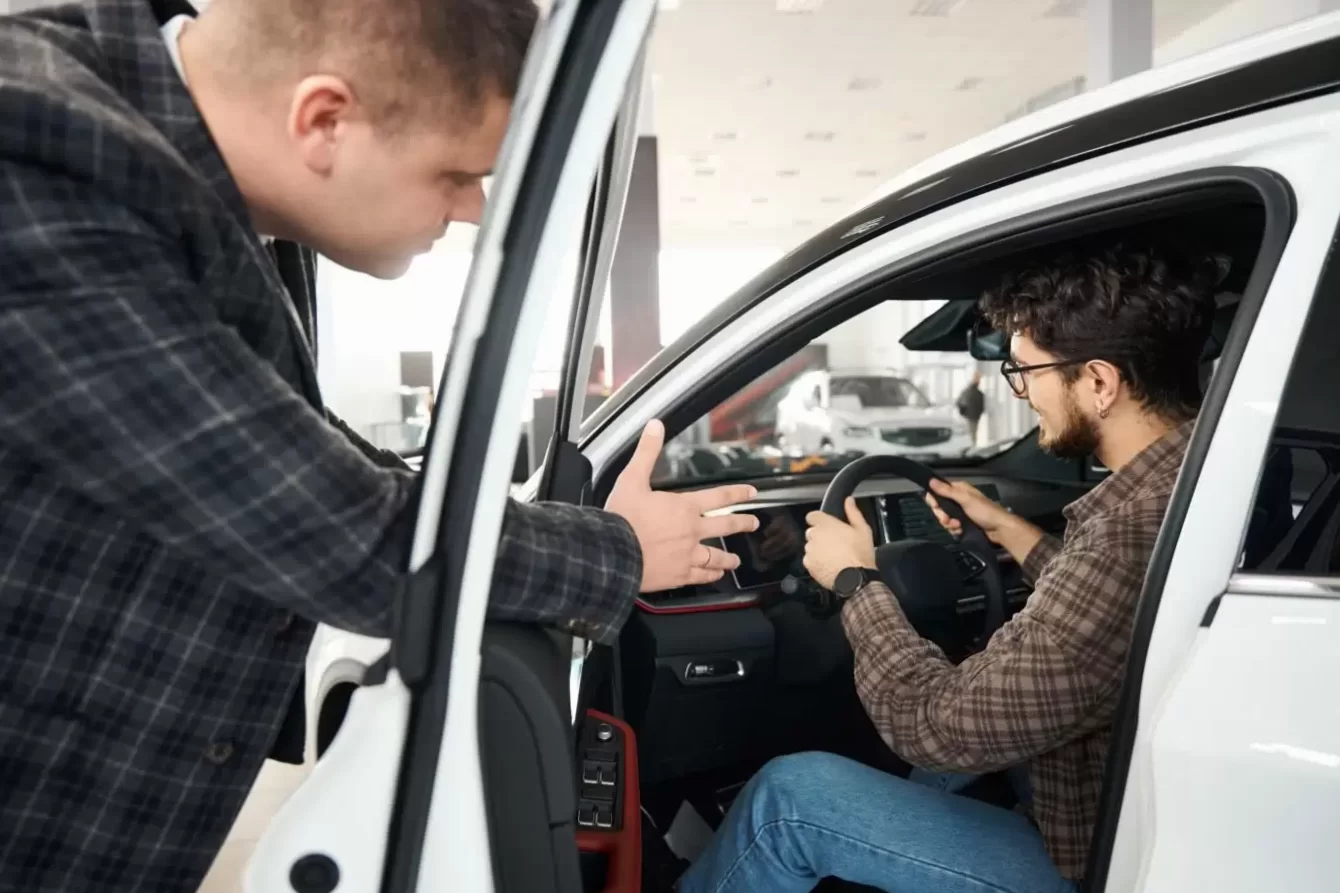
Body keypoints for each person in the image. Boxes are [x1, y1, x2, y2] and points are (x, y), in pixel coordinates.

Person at [0, 1, 759, 891]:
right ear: (325, 121)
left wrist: (561, 525)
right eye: (457, 173)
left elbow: (301, 449)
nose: (476, 210)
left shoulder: (169, 169)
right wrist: (618, 553)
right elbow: (326, 525)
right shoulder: (36, 158)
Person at [676, 242, 1218, 893]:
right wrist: (1011, 530)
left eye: (1025, 371)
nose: (1021, 392)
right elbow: (1119, 615)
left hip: (1092, 857)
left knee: (786, 799)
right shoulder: (1198, 478)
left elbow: (932, 723)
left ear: (1099, 382)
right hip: (1123, 794)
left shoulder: (1124, 533)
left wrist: (855, 580)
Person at [956, 368, 986, 445]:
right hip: (971, 417)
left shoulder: (972, 392)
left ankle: (972, 447)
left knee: (971, 434)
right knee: (972, 434)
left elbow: (958, 402)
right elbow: (959, 403)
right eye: (978, 378)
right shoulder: (973, 392)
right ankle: (972, 448)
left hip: (970, 416)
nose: (978, 381)